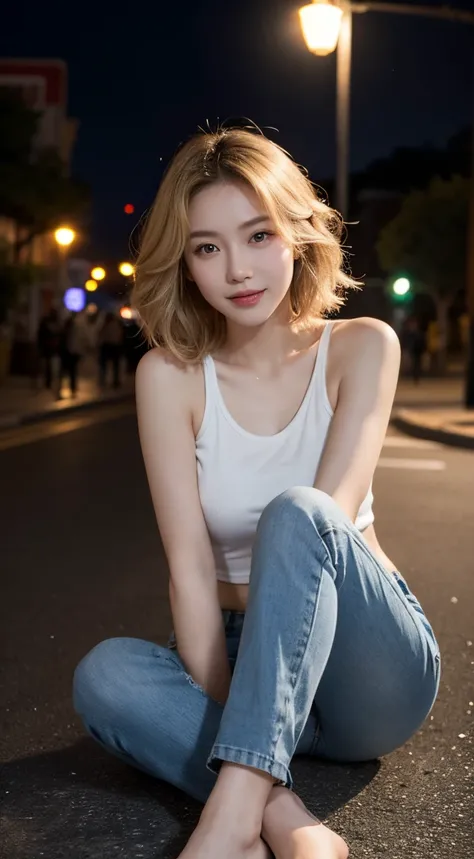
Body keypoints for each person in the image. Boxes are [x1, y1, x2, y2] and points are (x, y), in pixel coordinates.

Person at [73, 127, 441, 859]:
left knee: (301, 510)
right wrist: (234, 708)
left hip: (367, 663)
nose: (237, 269)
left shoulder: (363, 346)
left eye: (258, 234)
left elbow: (329, 515)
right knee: (105, 674)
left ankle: (228, 824)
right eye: (207, 247)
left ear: (297, 235)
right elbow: (188, 572)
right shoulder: (169, 378)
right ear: (185, 261)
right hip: (241, 659)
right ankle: (280, 813)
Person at [58, 312, 85, 398]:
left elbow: (77, 342)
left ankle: (71, 390)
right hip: (67, 353)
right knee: (67, 373)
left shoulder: (75, 330)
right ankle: (64, 390)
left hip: (71, 354)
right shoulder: (68, 332)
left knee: (70, 373)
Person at [98, 311, 124, 388]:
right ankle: (107, 380)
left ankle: (110, 380)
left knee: (112, 365)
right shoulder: (109, 325)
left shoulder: (112, 325)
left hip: (111, 346)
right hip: (110, 346)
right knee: (110, 365)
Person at [37, 308, 61, 389]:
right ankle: (48, 381)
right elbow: (40, 335)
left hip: (51, 348)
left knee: (50, 365)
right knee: (47, 365)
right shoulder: (46, 323)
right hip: (47, 347)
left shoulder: (53, 323)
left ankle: (49, 381)